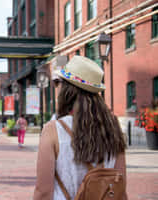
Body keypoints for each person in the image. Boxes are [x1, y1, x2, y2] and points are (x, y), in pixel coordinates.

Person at [33, 56, 127, 199]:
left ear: (67, 90)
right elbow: (120, 183)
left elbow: (43, 191)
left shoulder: (53, 130)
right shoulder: (113, 128)